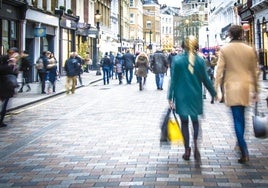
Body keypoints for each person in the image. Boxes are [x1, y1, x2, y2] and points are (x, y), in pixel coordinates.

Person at [215, 25, 259, 163]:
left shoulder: (225, 49)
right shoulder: (249, 49)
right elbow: (255, 71)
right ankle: (240, 143)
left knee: (237, 119)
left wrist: (217, 88)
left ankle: (243, 148)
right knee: (243, 118)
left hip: (232, 87)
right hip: (246, 87)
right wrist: (256, 90)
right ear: (241, 34)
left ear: (230, 34)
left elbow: (219, 71)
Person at [168, 36, 216, 161]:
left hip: (181, 95)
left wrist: (170, 97)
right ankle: (195, 143)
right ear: (195, 46)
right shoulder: (200, 61)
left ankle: (187, 150)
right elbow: (205, 79)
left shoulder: (177, 60)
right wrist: (213, 93)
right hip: (195, 95)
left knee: (184, 123)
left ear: (183, 46)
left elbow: (173, 80)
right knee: (195, 121)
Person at [0, 47, 20, 127]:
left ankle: (1, 120)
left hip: (7, 87)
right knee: (4, 105)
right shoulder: (5, 63)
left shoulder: (12, 64)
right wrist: (11, 66)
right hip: (4, 86)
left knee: (5, 105)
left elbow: (14, 75)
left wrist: (14, 66)